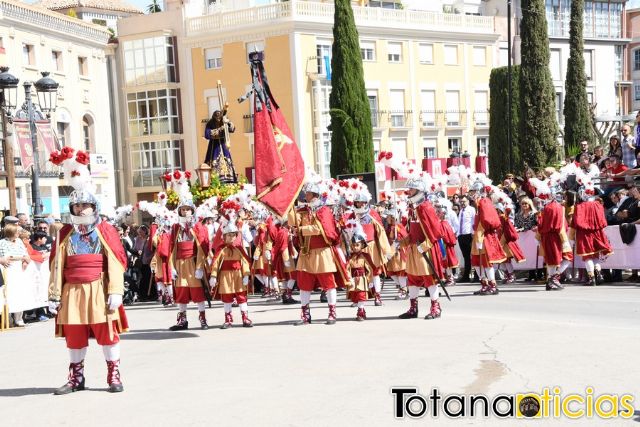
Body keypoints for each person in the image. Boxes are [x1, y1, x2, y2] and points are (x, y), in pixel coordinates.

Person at [47, 146, 128, 394]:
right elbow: (56, 265)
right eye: (77, 206)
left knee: (107, 334)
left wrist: (116, 291)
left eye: (85, 205)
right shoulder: (64, 233)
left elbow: (114, 260)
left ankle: (113, 375)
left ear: (93, 207)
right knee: (75, 336)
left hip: (98, 289)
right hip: (72, 290)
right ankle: (76, 378)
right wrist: (54, 295)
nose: (81, 210)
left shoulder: (105, 231)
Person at [290, 183, 350, 325]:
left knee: (329, 284)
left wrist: (302, 230)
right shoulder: (303, 211)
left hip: (323, 252)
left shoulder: (323, 211)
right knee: (304, 285)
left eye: (309, 194)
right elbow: (293, 224)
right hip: (306, 252)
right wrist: (290, 206)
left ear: (315, 195)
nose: (306, 196)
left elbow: (321, 229)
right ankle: (305, 314)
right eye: (306, 194)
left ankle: (332, 313)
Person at [398, 177, 444, 320]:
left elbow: (436, 231)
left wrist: (425, 246)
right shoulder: (414, 208)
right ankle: (413, 308)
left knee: (429, 278)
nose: (409, 191)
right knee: (412, 278)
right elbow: (413, 231)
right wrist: (404, 241)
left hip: (425, 249)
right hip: (414, 249)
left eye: (411, 189)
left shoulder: (425, 207)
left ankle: (435, 307)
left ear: (419, 191)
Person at [168, 200, 210, 331]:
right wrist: (172, 267)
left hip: (193, 262)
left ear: (192, 210)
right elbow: (171, 248)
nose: (185, 211)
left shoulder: (198, 226)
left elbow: (204, 246)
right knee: (181, 292)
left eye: (188, 209)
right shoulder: (175, 227)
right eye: (183, 209)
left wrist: (199, 266)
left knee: (198, 292)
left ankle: (202, 318)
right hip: (180, 263)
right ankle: (182, 320)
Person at [209, 223, 253, 328]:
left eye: (233, 235)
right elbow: (215, 263)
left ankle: (245, 318)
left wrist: (246, 275)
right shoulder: (221, 249)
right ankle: (228, 319)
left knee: (241, 296)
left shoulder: (239, 248)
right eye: (229, 235)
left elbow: (245, 262)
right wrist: (213, 276)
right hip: (225, 276)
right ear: (224, 236)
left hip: (238, 275)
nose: (231, 237)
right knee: (227, 297)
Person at [570, 185, 613, 286]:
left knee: (587, 257)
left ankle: (591, 278)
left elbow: (575, 222)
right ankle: (599, 274)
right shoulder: (598, 205)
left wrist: (571, 236)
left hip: (584, 233)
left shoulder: (579, 206)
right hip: (597, 232)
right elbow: (603, 221)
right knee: (595, 256)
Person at [469, 183, 507, 296]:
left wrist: (479, 238)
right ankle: (484, 283)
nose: (471, 194)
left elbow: (484, 221)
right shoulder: (478, 203)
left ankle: (493, 285)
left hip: (483, 236)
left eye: (473, 191)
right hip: (478, 235)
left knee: (485, 262)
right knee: (476, 261)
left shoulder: (483, 202)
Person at [0, 224, 32, 327]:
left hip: (19, 268)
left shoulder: (19, 242)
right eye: (17, 231)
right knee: (8, 293)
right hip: (8, 269)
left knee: (20, 292)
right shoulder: (2, 243)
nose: (18, 233)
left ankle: (19, 318)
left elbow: (25, 254)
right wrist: (2, 260)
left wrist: (26, 261)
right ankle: (7, 318)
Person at [346, 230, 375, 321]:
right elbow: (346, 269)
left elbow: (370, 268)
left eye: (357, 245)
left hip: (363, 279)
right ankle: (361, 310)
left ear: (362, 245)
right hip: (353, 279)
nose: (355, 247)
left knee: (361, 295)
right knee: (356, 296)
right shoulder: (350, 257)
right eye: (353, 245)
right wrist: (348, 279)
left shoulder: (365, 256)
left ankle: (361, 311)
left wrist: (370, 280)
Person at [204, 109, 237, 183]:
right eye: (217, 117)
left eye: (219, 117)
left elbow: (232, 129)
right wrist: (220, 129)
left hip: (223, 145)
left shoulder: (224, 121)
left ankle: (229, 177)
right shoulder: (210, 123)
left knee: (226, 161)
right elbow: (207, 134)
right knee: (214, 162)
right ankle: (214, 178)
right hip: (214, 146)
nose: (218, 119)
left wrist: (228, 123)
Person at [384, 208, 408, 299]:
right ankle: (404, 286)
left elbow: (403, 238)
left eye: (389, 217)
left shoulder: (398, 227)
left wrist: (396, 245)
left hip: (398, 251)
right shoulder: (390, 227)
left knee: (400, 271)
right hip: (391, 251)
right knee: (391, 272)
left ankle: (403, 289)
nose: (387, 219)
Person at [457, 195, 476, 282]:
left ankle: (477, 275)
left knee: (473, 255)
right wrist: (458, 234)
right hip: (461, 235)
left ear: (468, 201)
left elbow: (473, 221)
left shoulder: (471, 209)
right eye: (461, 202)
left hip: (469, 235)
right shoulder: (461, 210)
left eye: (464, 201)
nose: (462, 203)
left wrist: (473, 232)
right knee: (466, 257)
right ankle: (466, 276)